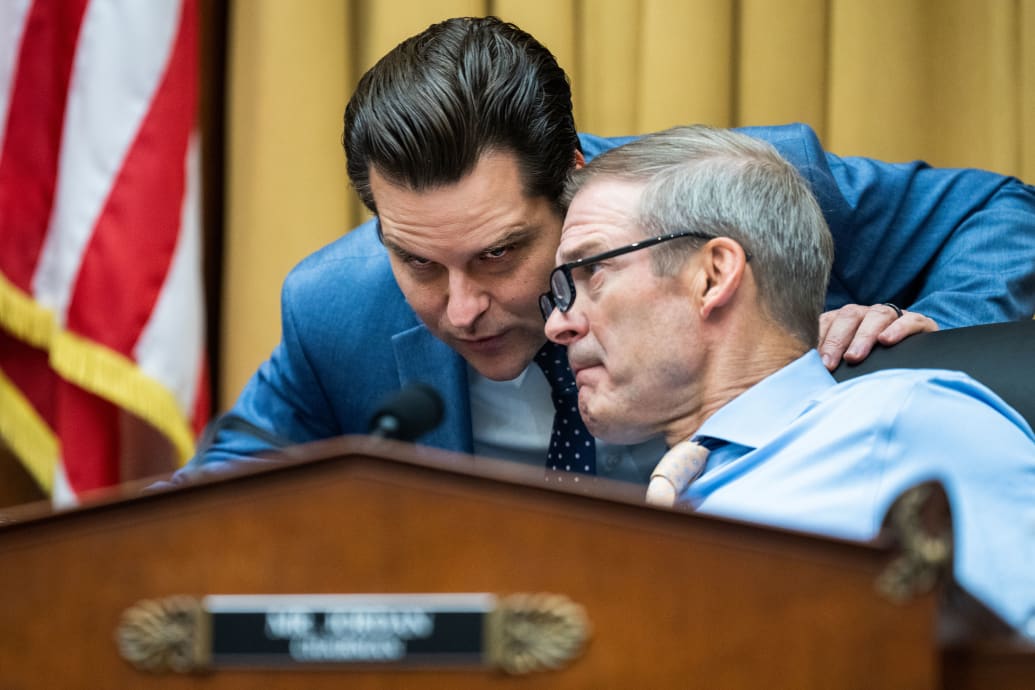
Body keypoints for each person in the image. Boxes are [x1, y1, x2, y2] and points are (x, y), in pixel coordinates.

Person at [181, 16, 1035, 483]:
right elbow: (213, 498)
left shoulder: (739, 195)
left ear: (575, 179)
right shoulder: (337, 306)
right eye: (416, 263)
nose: (462, 307)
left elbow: (1000, 212)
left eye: (498, 254)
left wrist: (903, 354)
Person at [541, 124, 1035, 635]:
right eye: (558, 293)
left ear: (712, 276)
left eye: (590, 272)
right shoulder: (653, 507)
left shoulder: (906, 425)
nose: (558, 324)